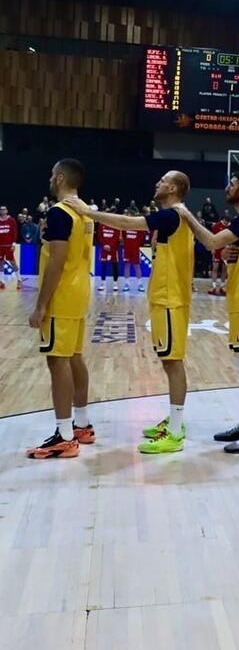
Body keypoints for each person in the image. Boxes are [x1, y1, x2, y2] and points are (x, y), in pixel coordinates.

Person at [67, 171, 195, 453]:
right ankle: (174, 422)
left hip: (172, 299)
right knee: (168, 361)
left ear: (173, 188)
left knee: (174, 362)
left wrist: (89, 212)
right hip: (165, 297)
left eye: (162, 181)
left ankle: (175, 432)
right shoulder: (174, 216)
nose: (156, 183)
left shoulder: (173, 214)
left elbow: (128, 223)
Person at [178, 171, 239, 453]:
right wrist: (226, 255)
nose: (226, 187)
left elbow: (211, 241)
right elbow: (227, 250)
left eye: (231, 184)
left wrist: (187, 216)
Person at [26, 159, 94, 458]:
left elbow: (56, 261)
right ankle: (81, 425)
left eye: (53, 174)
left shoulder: (59, 212)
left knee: (57, 361)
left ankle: (64, 435)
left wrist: (40, 305)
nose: (50, 178)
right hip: (80, 291)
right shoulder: (86, 212)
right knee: (74, 357)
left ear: (61, 178)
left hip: (62, 294)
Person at [96, 218, 121, 293]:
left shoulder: (116, 226)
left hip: (113, 249)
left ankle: (115, 284)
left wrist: (110, 246)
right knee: (103, 266)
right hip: (104, 249)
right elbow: (99, 236)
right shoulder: (102, 225)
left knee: (115, 267)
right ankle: (102, 284)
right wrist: (104, 245)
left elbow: (117, 237)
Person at [0, 205, 22, 290]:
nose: (2, 211)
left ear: (7, 211)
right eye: (1, 209)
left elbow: (15, 232)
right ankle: (2, 282)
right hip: (0, 246)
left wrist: (13, 244)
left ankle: (19, 280)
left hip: (9, 245)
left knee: (13, 262)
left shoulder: (11, 220)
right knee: (0, 263)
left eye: (4, 209)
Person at [208, 211, 230, 295]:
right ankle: (213, 286)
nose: (226, 223)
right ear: (223, 220)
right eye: (225, 221)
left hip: (226, 249)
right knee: (215, 268)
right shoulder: (216, 226)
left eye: (228, 222)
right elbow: (212, 238)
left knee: (225, 268)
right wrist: (212, 248)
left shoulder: (230, 226)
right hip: (217, 249)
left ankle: (222, 286)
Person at [121, 225, 147, 292]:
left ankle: (140, 284)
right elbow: (123, 237)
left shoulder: (138, 227)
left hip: (135, 249)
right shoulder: (125, 227)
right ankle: (126, 284)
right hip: (127, 249)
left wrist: (136, 244)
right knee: (127, 266)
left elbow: (141, 238)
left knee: (137, 266)